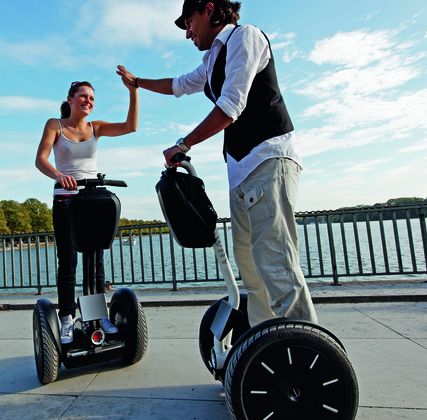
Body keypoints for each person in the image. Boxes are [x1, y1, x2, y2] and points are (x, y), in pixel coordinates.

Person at [116, 0, 317, 326]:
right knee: (249, 267)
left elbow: (231, 105)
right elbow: (177, 85)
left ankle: (307, 352)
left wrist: (184, 144)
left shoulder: (245, 38)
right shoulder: (211, 61)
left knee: (275, 262)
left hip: (268, 159)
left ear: (209, 9)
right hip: (239, 170)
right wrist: (137, 82)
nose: (188, 34)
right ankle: (266, 342)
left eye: (189, 22)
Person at [35, 67, 139, 344]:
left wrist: (133, 91)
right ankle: (67, 318)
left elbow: (131, 126)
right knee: (67, 262)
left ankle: (96, 314)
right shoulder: (55, 125)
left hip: (92, 200)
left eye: (92, 97)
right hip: (66, 201)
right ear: (70, 99)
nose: (88, 101)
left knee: (95, 262)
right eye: (83, 96)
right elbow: (41, 159)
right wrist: (58, 175)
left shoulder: (97, 128)